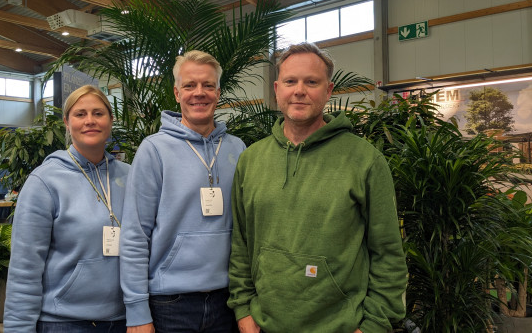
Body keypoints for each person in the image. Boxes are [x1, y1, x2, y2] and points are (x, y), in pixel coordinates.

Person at [228, 43, 408, 333]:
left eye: (311, 82)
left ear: (328, 90)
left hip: (341, 326)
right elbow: (240, 245)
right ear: (277, 89)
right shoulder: (251, 160)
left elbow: (388, 254)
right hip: (263, 325)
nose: (299, 90)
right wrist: (243, 309)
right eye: (290, 81)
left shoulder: (365, 161)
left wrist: (374, 324)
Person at [120, 50, 246, 333]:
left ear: (218, 92)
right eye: (190, 86)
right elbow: (135, 235)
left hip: (228, 301)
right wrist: (137, 311)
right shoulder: (154, 150)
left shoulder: (238, 149)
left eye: (208, 85)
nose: (199, 93)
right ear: (177, 93)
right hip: (170, 304)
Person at [4, 85, 130, 333]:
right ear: (66, 122)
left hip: (124, 320)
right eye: (80, 114)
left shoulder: (131, 176)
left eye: (98, 113)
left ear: (111, 120)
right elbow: (25, 268)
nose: (90, 121)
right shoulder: (44, 182)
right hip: (64, 322)